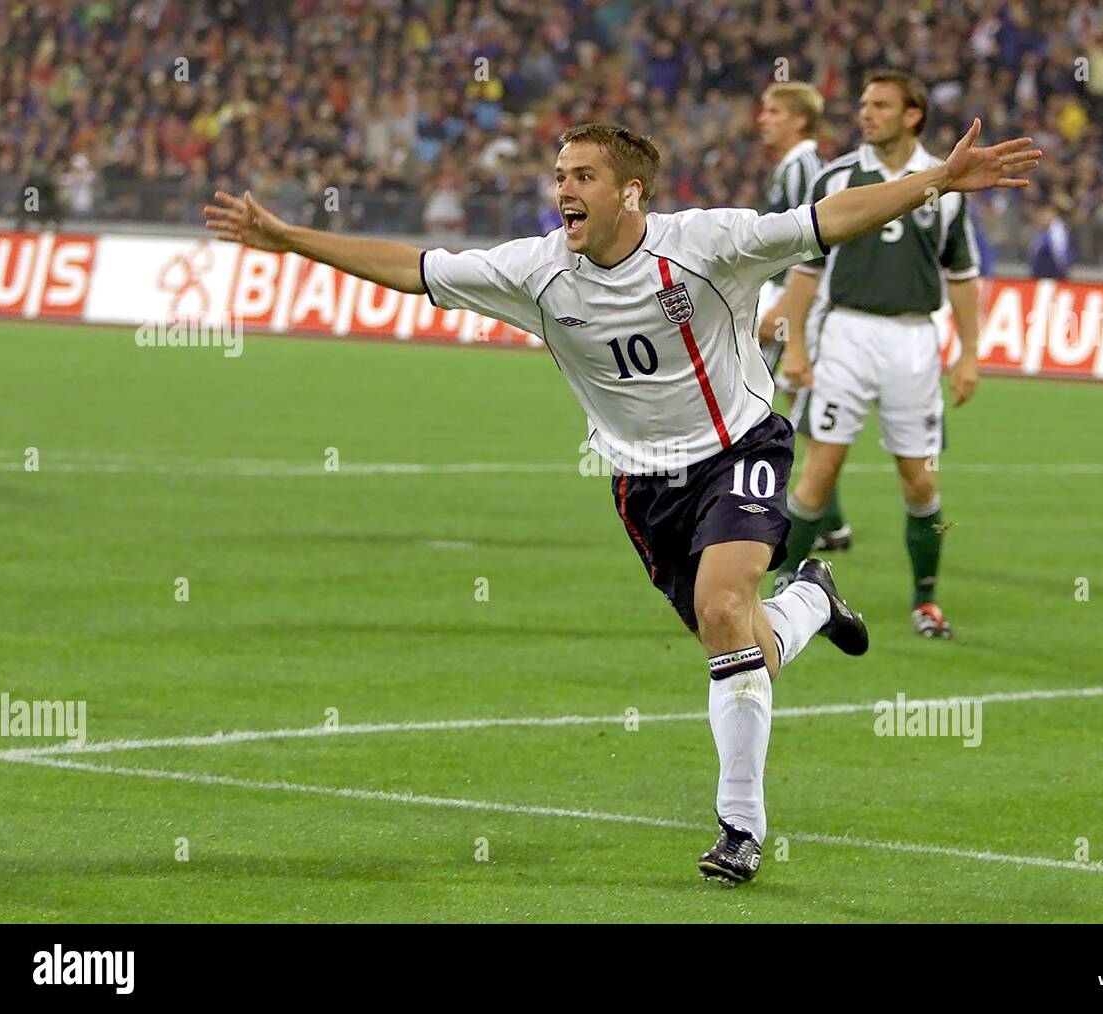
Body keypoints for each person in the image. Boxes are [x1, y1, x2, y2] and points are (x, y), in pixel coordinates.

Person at [204, 118, 1039, 884]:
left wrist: (937, 181)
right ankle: (812, 600)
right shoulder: (534, 271)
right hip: (645, 488)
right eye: (559, 174)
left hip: (740, 449)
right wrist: (287, 240)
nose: (562, 189)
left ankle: (740, 829)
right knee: (747, 646)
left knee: (722, 610)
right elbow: (412, 268)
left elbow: (828, 217)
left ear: (629, 192)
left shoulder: (709, 244)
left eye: (582, 176)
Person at [771, 70, 985, 640]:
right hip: (846, 333)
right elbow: (805, 268)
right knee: (820, 468)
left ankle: (926, 602)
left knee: (919, 480)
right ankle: (786, 589)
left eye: (881, 105)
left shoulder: (945, 183)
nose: (867, 113)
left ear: (913, 114)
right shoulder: (838, 176)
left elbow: (961, 276)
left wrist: (969, 354)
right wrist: (795, 344)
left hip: (914, 340)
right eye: (865, 104)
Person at [754, 81, 851, 553]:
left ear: (798, 121)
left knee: (756, 400)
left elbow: (804, 250)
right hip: (793, 302)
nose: (763, 119)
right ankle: (829, 523)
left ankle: (747, 508)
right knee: (795, 405)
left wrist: (785, 310)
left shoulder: (802, 169)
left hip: (799, 305)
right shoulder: (796, 166)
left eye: (773, 111)